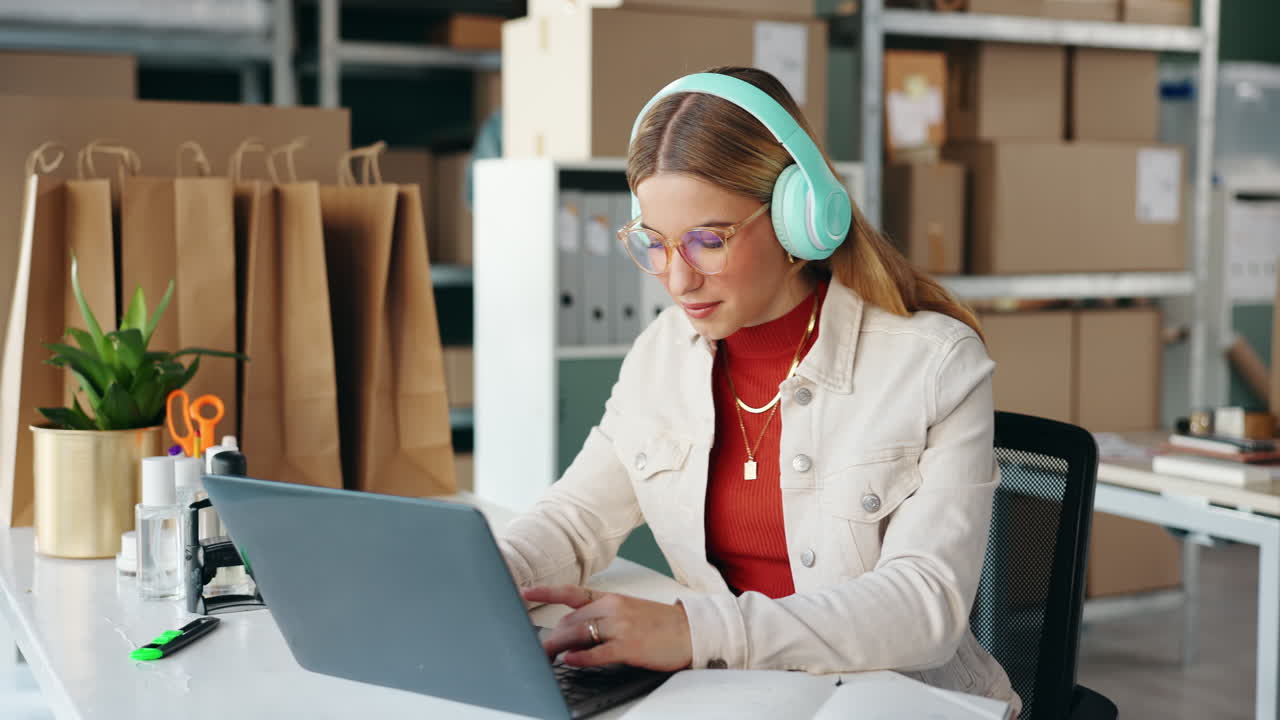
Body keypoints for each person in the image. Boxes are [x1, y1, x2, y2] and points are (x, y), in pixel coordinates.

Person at [497, 65, 1020, 713]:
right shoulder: (662, 355)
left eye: (707, 242)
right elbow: (576, 521)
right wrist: (484, 578)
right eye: (655, 244)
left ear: (802, 220)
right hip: (730, 694)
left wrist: (694, 632)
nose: (677, 280)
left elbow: (924, 605)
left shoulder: (935, 364)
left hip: (893, 699)